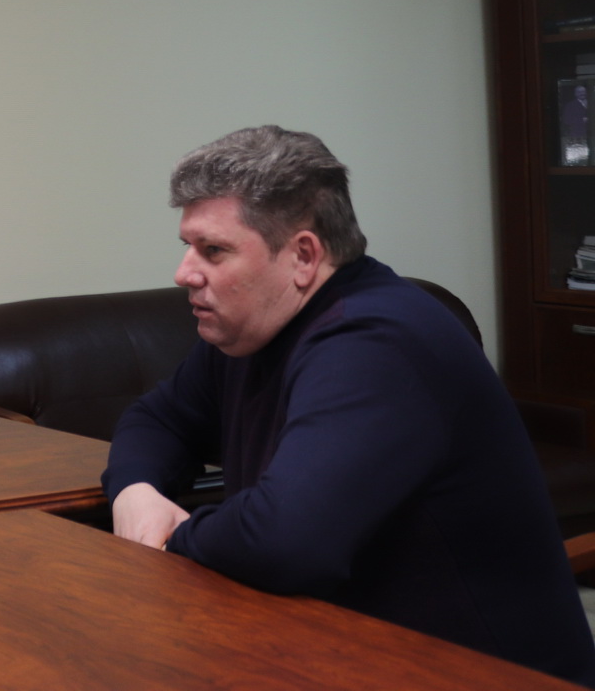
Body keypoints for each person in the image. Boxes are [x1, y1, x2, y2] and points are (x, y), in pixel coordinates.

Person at [105, 125, 595, 687]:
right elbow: (156, 419)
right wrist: (136, 492)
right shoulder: (251, 331)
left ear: (303, 255)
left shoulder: (377, 341)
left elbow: (286, 542)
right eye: (188, 247)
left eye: (213, 250)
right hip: (337, 647)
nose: (184, 273)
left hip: (481, 673)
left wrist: (175, 535)